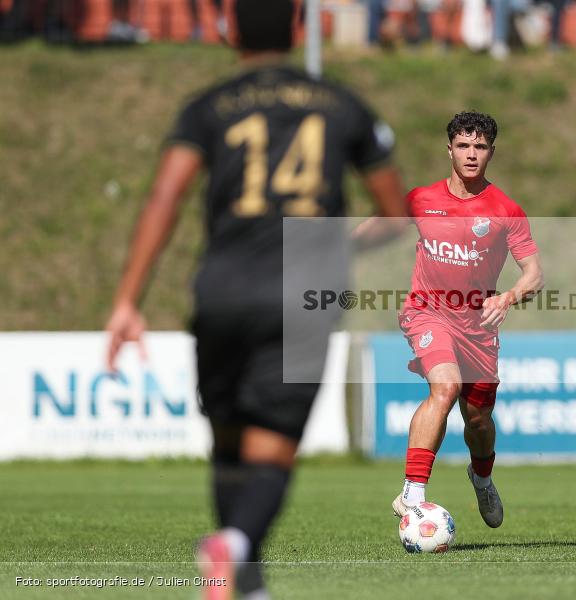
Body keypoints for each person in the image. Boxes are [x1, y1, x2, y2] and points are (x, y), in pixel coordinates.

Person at [103, 0, 407, 597]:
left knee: (229, 443)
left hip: (222, 289)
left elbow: (165, 196)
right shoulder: (343, 105)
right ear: (298, 28)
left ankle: (246, 582)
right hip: (301, 294)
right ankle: (236, 545)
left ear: (228, 30)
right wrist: (340, 244)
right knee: (271, 448)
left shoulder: (208, 107)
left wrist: (127, 300)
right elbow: (396, 215)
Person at [391, 111, 544, 528]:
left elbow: (534, 274)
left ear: (491, 152)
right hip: (427, 312)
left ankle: (482, 477)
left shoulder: (506, 210)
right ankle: (413, 493)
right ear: (450, 150)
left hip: (478, 327)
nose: (471, 154)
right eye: (463, 145)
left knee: (478, 420)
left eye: (480, 147)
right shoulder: (421, 199)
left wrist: (509, 296)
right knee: (445, 388)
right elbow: (376, 229)